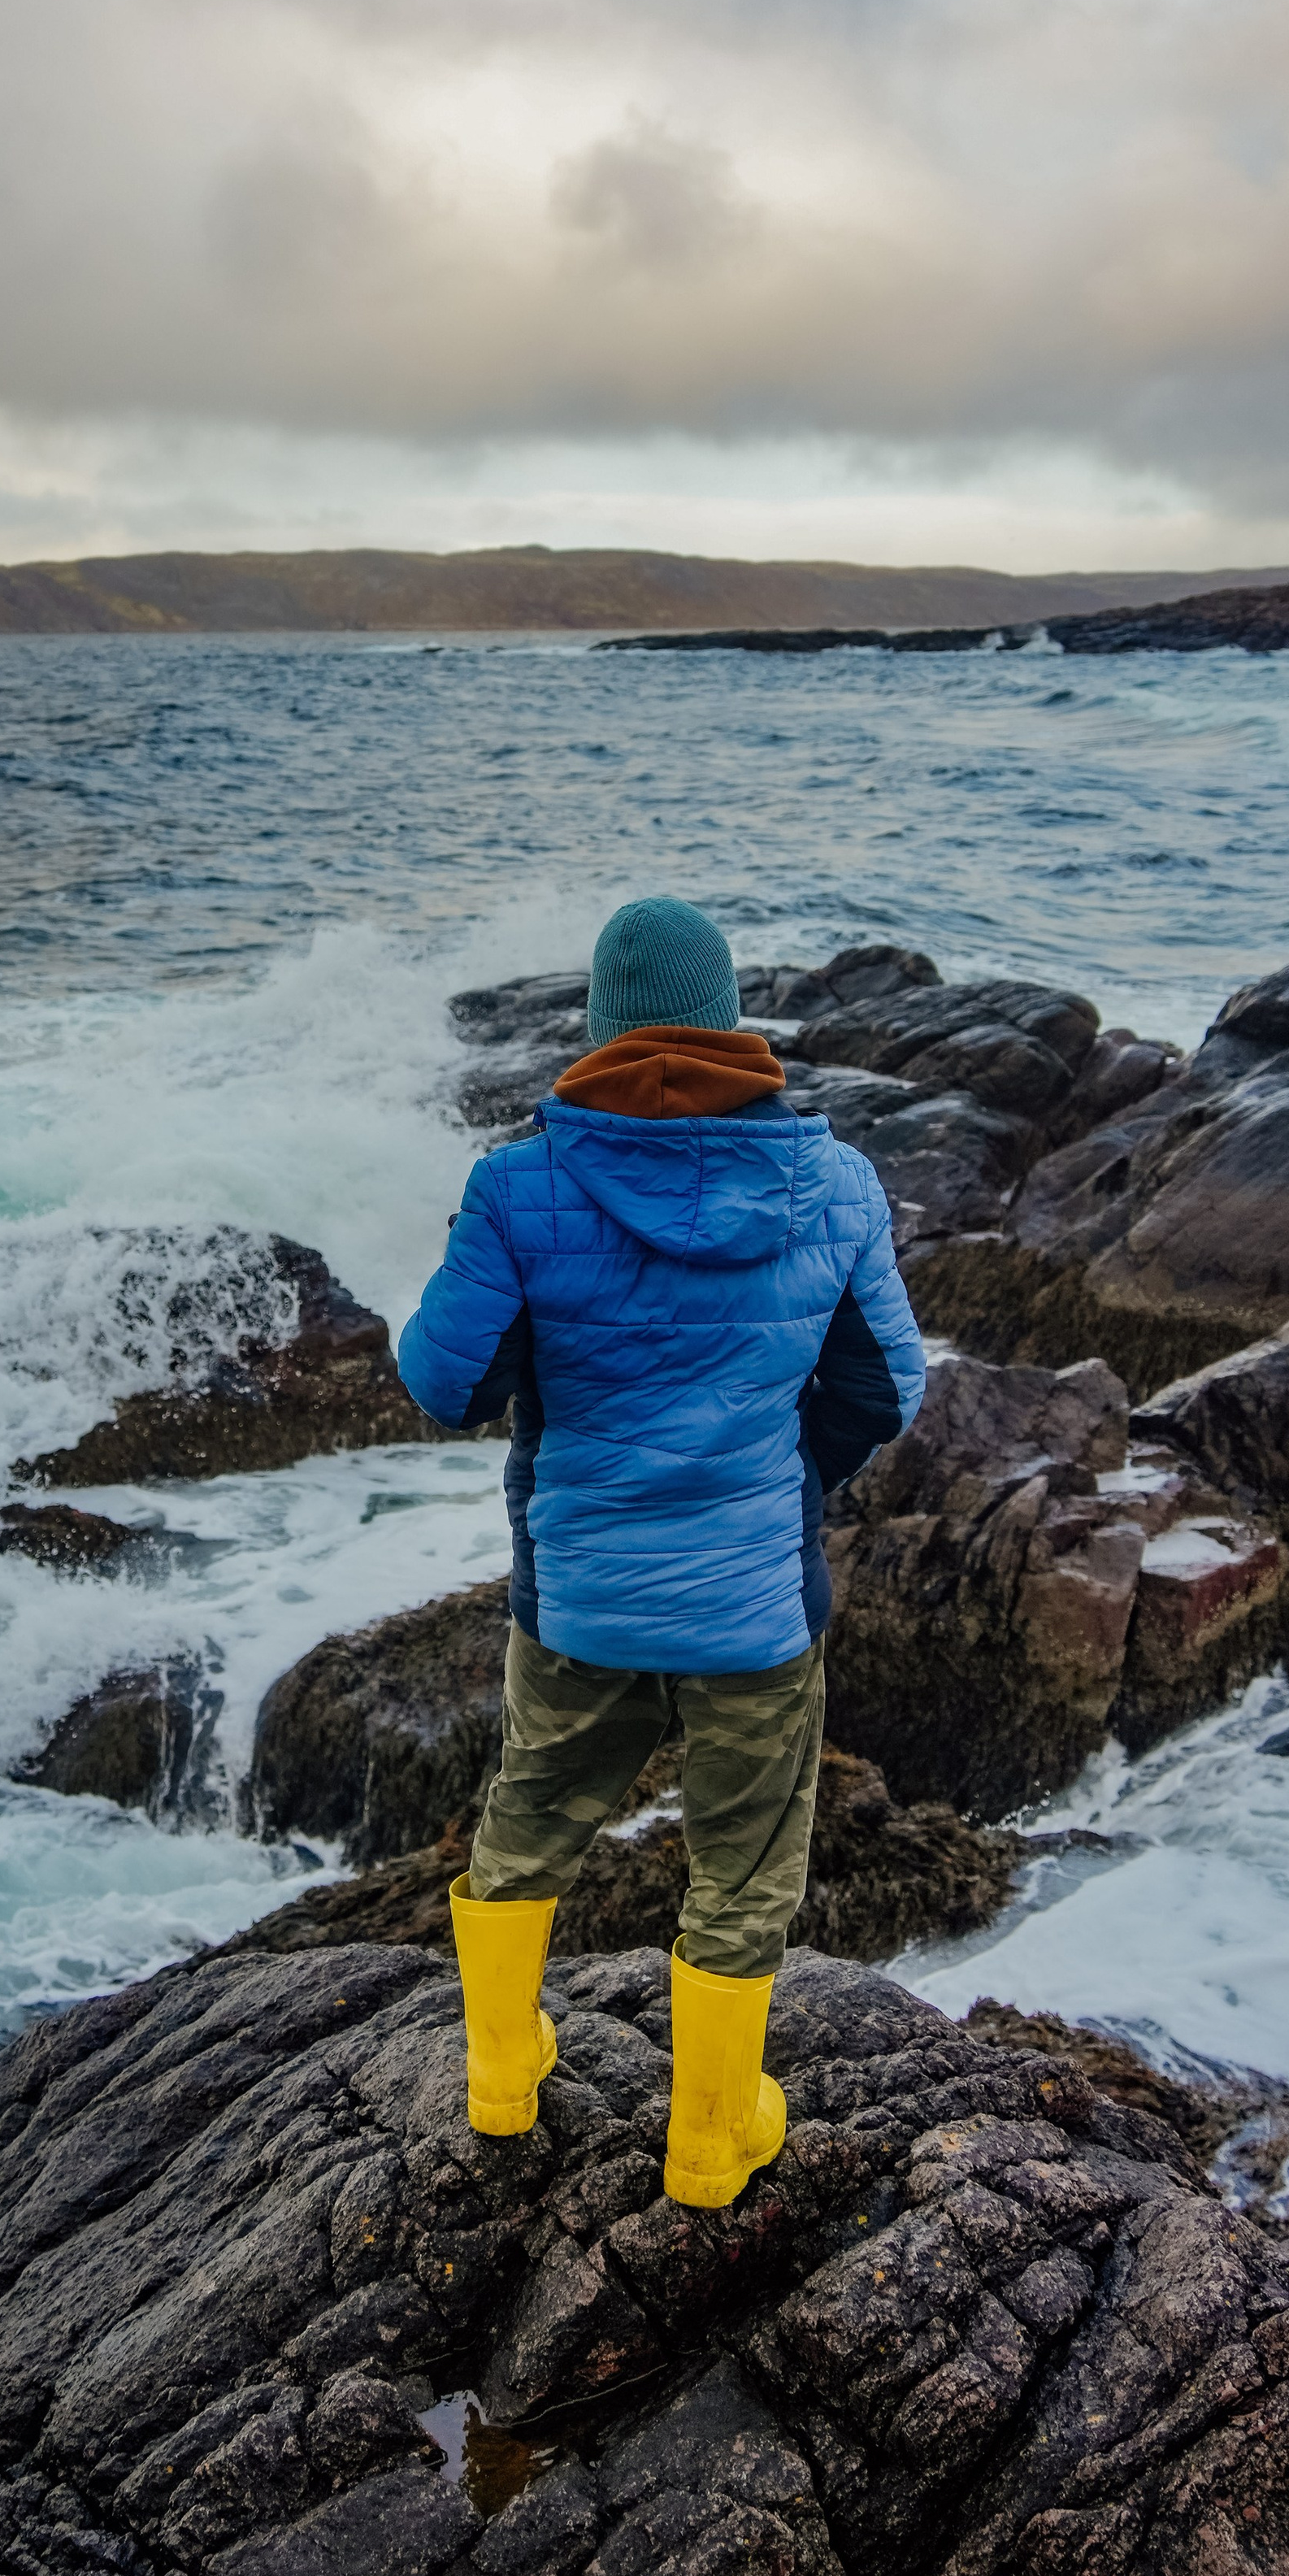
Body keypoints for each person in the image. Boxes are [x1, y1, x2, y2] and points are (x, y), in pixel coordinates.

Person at [397, 894, 927, 2209]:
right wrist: (793, 1476)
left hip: (578, 1591)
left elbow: (446, 1384)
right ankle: (709, 2142)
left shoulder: (520, 1185)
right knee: (743, 1869)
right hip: (755, 1602)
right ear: (728, 1020)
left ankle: (503, 2079)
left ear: (601, 1026)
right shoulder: (835, 1182)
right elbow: (885, 1389)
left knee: (528, 1818)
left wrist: (543, 1357)